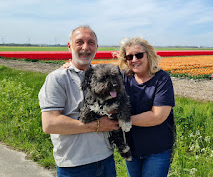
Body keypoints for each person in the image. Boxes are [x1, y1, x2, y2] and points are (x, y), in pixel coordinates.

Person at [38, 25, 119, 177]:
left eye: (91, 42)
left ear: (96, 47)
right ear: (70, 46)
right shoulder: (58, 78)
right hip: (74, 164)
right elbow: (50, 124)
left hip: (106, 159)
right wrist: (98, 125)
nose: (85, 47)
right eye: (79, 42)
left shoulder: (103, 75)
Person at [117, 37, 175, 177]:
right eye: (129, 56)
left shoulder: (162, 79)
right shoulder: (123, 76)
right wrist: (71, 65)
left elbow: (158, 116)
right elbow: (98, 72)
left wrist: (122, 120)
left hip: (157, 150)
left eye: (139, 55)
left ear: (148, 55)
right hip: (132, 149)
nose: (134, 59)